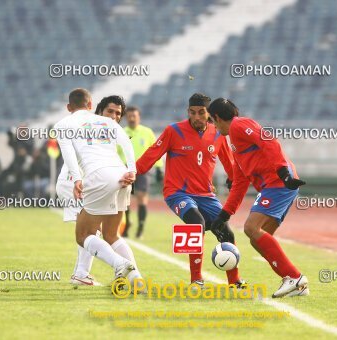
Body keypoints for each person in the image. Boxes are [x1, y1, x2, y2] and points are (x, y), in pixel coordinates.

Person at [135, 93, 245, 288]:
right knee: (196, 223)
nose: (196, 117)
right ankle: (196, 280)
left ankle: (234, 281)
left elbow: (230, 164)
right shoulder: (173, 131)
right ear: (188, 112)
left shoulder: (218, 133)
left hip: (206, 195)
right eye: (192, 113)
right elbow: (152, 154)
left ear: (209, 113)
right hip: (177, 193)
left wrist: (235, 179)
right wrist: (133, 172)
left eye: (201, 113)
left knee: (226, 232)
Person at [208, 98, 309, 298]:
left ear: (217, 117)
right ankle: (296, 285)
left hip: (278, 182)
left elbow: (269, 141)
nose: (214, 126)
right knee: (258, 237)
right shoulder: (235, 143)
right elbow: (240, 182)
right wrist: (224, 215)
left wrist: (282, 172)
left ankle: (294, 277)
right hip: (277, 184)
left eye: (213, 120)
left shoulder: (239, 125)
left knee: (251, 228)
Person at [55, 88, 138, 283]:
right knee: (96, 231)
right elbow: (126, 142)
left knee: (91, 233)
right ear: (93, 107)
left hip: (92, 179)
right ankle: (86, 273)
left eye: (118, 113)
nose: (114, 116)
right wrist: (132, 169)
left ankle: (119, 269)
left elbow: (70, 154)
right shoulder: (101, 125)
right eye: (110, 111)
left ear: (69, 107)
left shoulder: (70, 124)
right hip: (82, 181)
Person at [121, 106, 163, 239]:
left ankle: (140, 226)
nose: (132, 118)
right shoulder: (121, 132)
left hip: (143, 169)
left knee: (141, 196)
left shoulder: (147, 132)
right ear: (126, 117)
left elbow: (156, 151)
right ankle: (127, 224)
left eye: (134, 116)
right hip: (125, 170)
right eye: (129, 116)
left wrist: (158, 168)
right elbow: (115, 152)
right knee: (124, 199)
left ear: (139, 117)